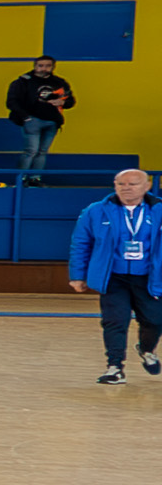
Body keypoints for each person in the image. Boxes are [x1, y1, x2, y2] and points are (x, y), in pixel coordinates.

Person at [69, 164, 160, 382]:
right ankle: (115, 367)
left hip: (150, 277)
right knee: (115, 321)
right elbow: (80, 243)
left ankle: (146, 349)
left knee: (155, 321)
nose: (126, 188)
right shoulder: (95, 210)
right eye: (121, 184)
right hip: (113, 277)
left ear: (147, 185)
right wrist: (77, 275)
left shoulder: (159, 210)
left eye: (132, 184)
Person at [8, 56, 76, 173]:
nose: (43, 69)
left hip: (52, 121)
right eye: (40, 66)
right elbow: (12, 101)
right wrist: (26, 117)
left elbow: (71, 101)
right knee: (31, 151)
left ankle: (35, 179)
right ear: (35, 66)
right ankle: (21, 179)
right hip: (32, 120)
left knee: (42, 152)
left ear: (53, 67)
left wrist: (63, 102)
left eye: (48, 66)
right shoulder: (24, 81)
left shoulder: (59, 82)